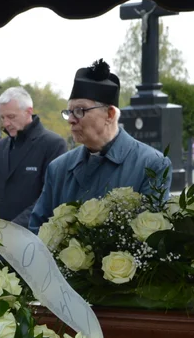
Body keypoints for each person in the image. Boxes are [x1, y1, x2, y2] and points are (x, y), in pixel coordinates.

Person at [30, 59, 171, 231]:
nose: (72, 120)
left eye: (80, 111)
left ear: (110, 114)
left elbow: (152, 236)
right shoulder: (59, 168)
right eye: (69, 112)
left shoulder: (152, 165)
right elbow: (37, 230)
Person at [0, 86, 66, 226]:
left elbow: (48, 198)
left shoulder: (53, 145)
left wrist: (14, 229)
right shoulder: (1, 147)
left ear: (29, 112)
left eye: (11, 117)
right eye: (2, 117)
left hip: (34, 236)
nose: (6, 123)